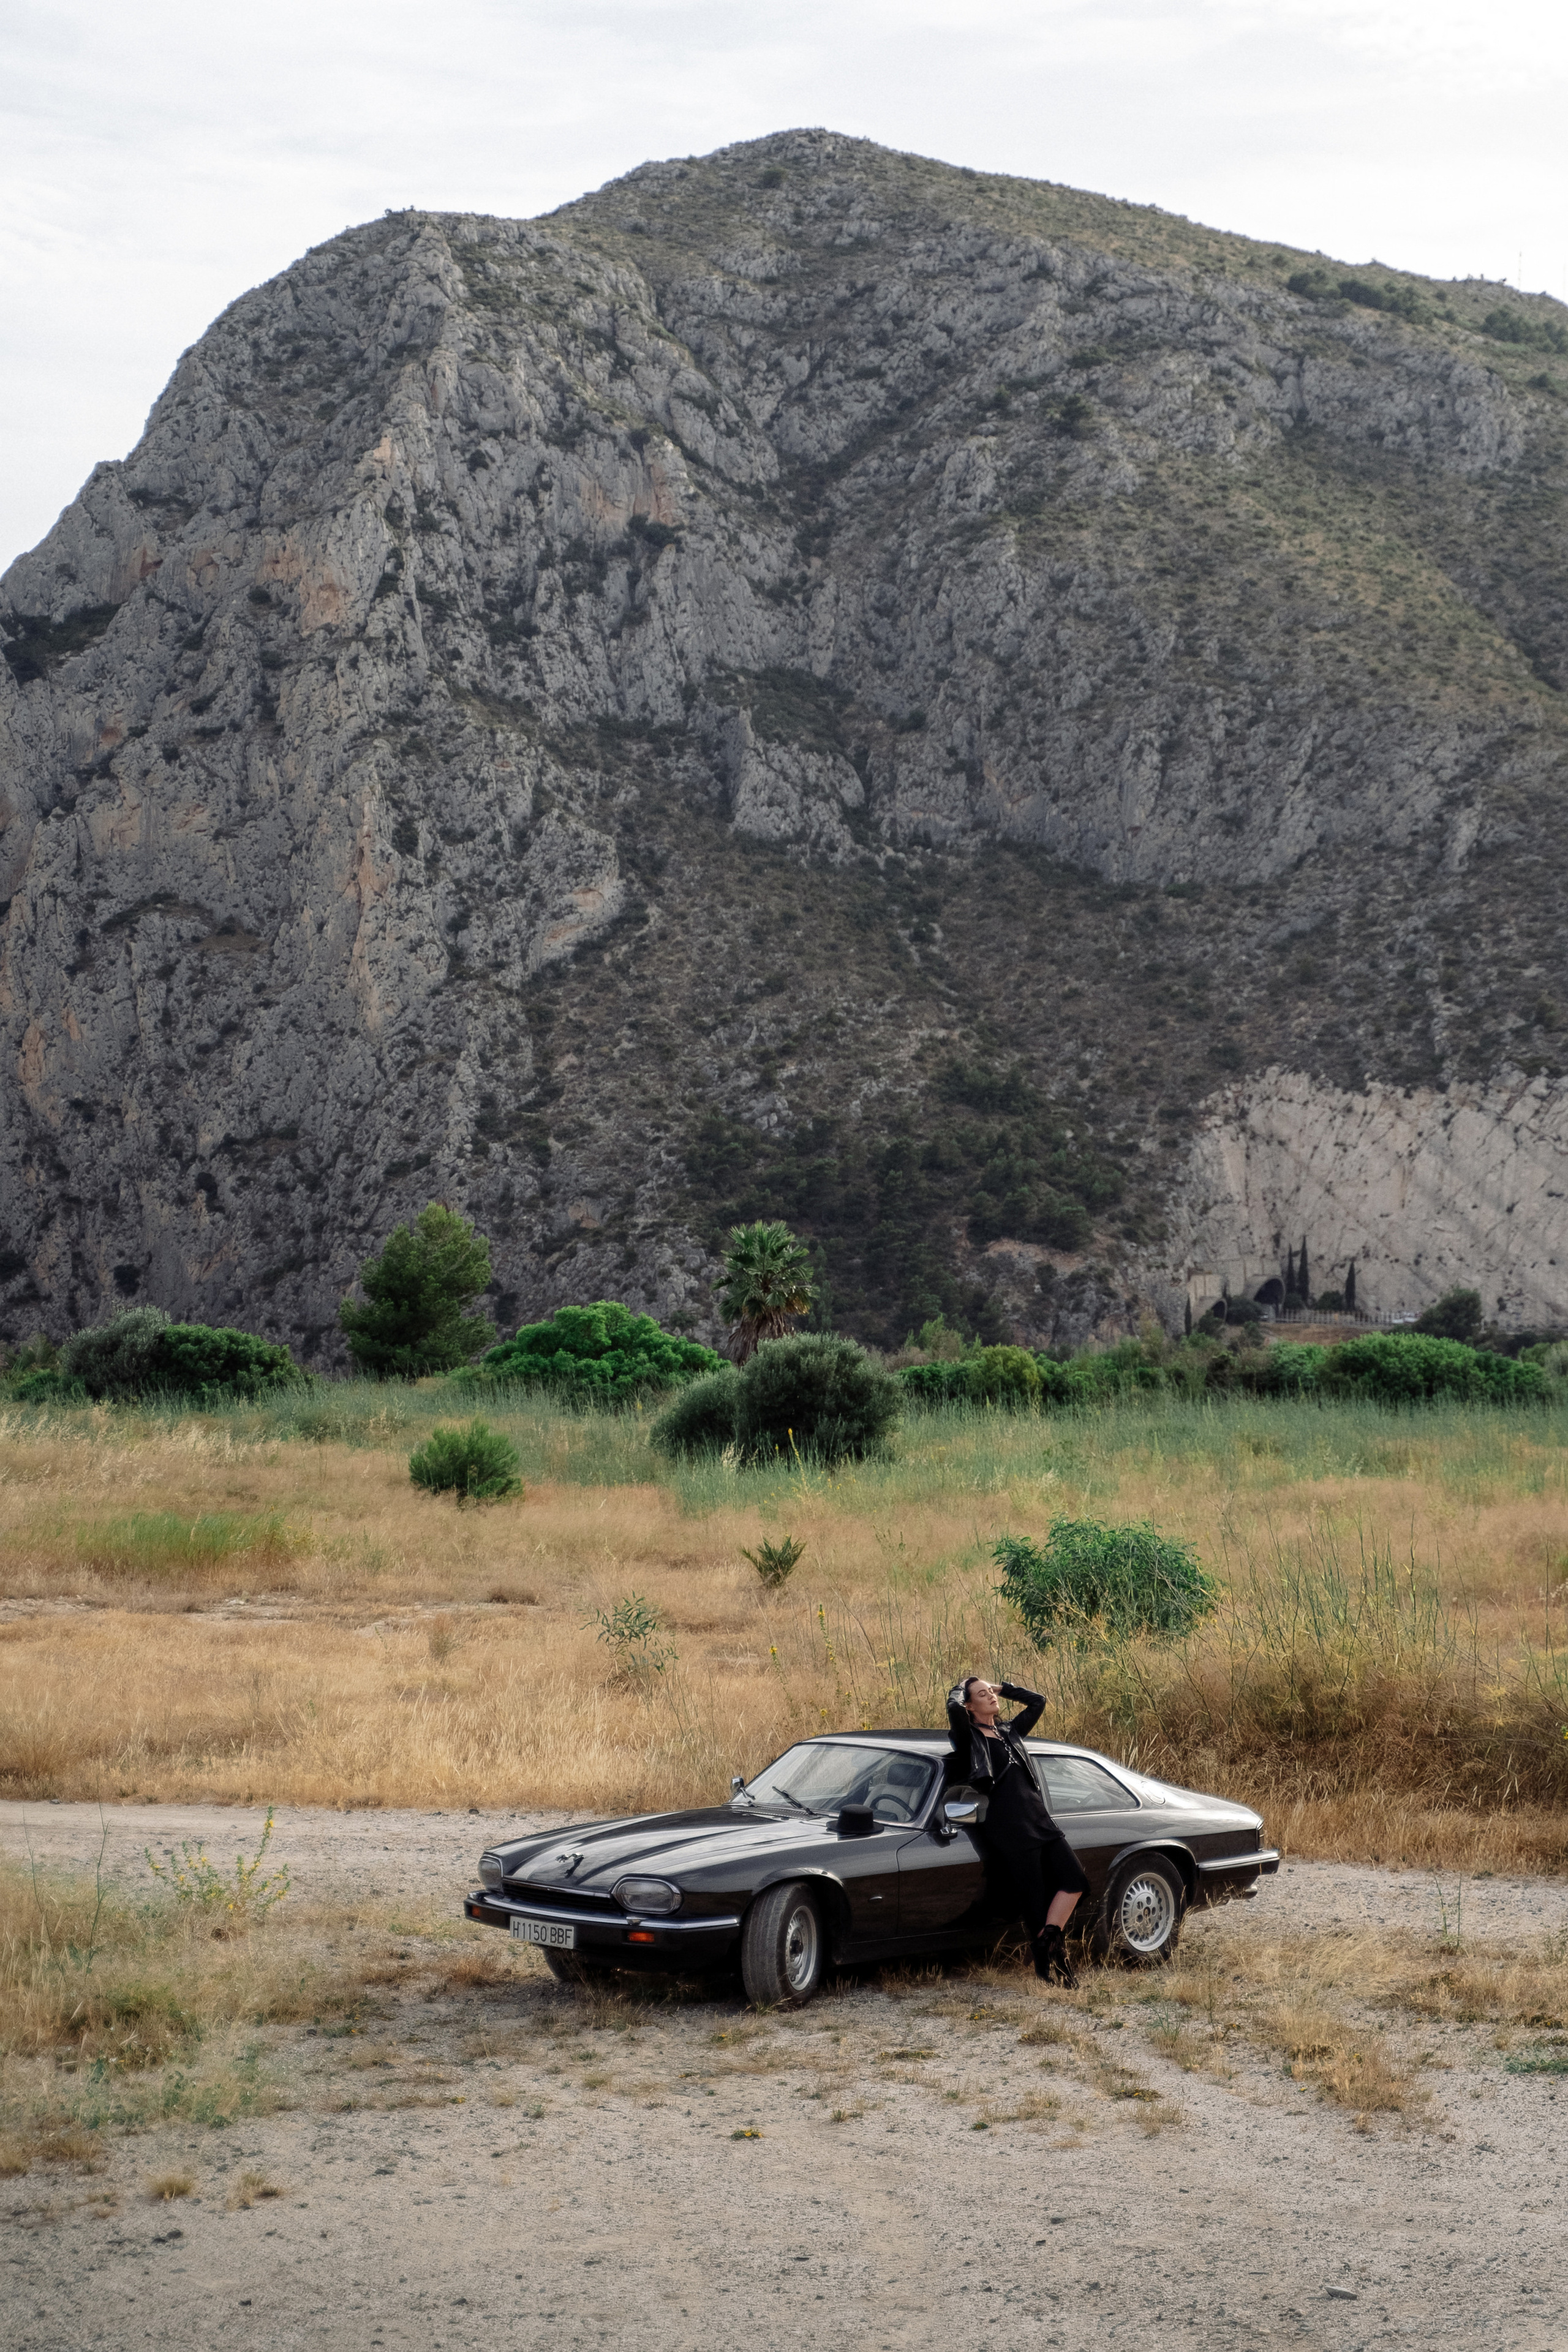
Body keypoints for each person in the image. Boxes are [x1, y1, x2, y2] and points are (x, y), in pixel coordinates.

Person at [946, 1674, 1088, 1987]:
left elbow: (1038, 1702)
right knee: (1034, 1899)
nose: (991, 1698)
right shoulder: (968, 1736)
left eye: (990, 1692)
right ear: (969, 1705)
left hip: (1038, 1818)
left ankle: (1045, 1944)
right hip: (1008, 1826)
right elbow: (954, 1709)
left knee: (1075, 1880)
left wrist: (1004, 1689)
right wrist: (962, 1688)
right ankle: (1057, 1966)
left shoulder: (1010, 1730)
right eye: (982, 1695)